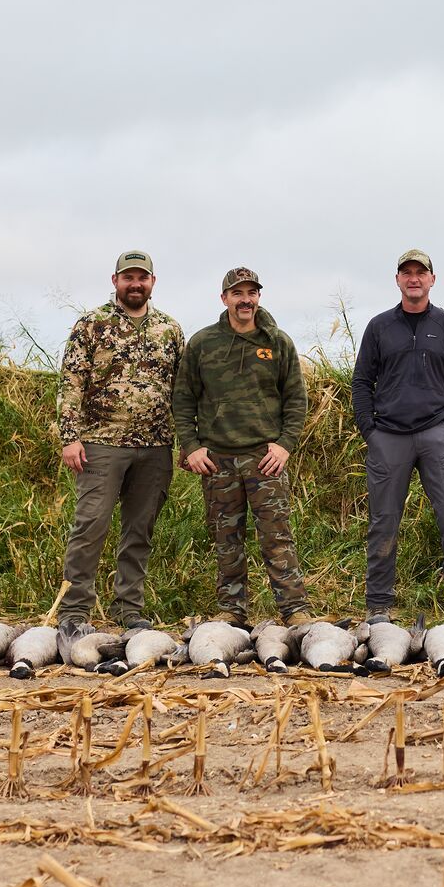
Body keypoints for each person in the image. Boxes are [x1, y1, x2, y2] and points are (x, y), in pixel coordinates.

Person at [171, 266, 314, 629]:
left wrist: (284, 446)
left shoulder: (277, 342)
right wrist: (191, 447)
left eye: (251, 293)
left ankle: (294, 609)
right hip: (217, 460)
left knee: (277, 536)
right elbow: (184, 399)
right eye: (237, 293)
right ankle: (232, 611)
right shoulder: (203, 344)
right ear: (225, 299)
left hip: (264, 459)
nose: (245, 300)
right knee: (226, 539)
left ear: (258, 298)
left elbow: (296, 400)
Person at [55, 250, 185, 633]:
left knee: (139, 530)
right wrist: (70, 438)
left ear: (152, 282)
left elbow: (183, 389)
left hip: (155, 446)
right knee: (90, 526)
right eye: (128, 277)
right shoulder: (92, 324)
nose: (135, 284)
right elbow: (71, 382)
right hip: (100, 443)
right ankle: (75, 611)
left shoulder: (170, 329)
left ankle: (129, 609)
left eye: (141, 277)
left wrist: (188, 442)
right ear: (115, 281)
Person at [351, 249, 444, 623]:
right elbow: (361, 381)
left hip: (437, 434)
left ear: (432, 280)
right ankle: (378, 604)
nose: (414, 279)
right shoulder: (378, 327)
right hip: (388, 437)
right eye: (406, 273)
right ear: (397, 280)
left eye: (420, 273)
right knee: (383, 520)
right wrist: (370, 430)